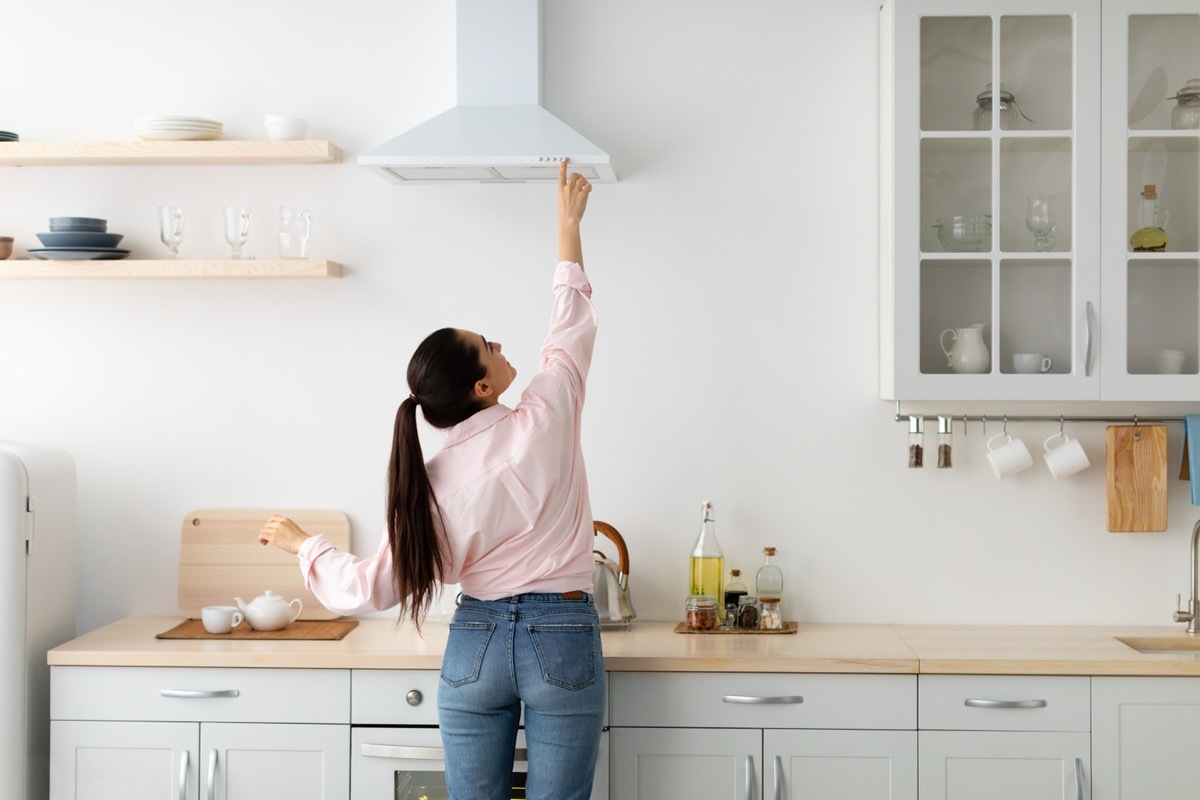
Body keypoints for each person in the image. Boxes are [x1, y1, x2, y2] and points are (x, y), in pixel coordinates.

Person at [258, 158, 603, 800]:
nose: (502, 347)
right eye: (490, 347)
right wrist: (567, 231)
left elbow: (370, 586)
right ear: (481, 386)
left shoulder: (433, 481)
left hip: (474, 643)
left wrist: (303, 543)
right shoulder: (548, 414)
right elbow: (570, 330)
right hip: (561, 633)